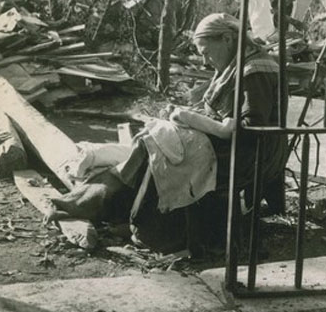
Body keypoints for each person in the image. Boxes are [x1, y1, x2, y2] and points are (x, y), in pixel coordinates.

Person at [50, 13, 289, 253]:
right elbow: (224, 116)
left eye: (206, 52)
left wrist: (191, 119)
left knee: (159, 152)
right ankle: (113, 210)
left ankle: (142, 227)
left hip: (250, 153)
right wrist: (186, 116)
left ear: (227, 39)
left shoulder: (254, 69)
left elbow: (248, 129)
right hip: (229, 145)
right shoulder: (237, 64)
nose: (205, 61)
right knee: (151, 140)